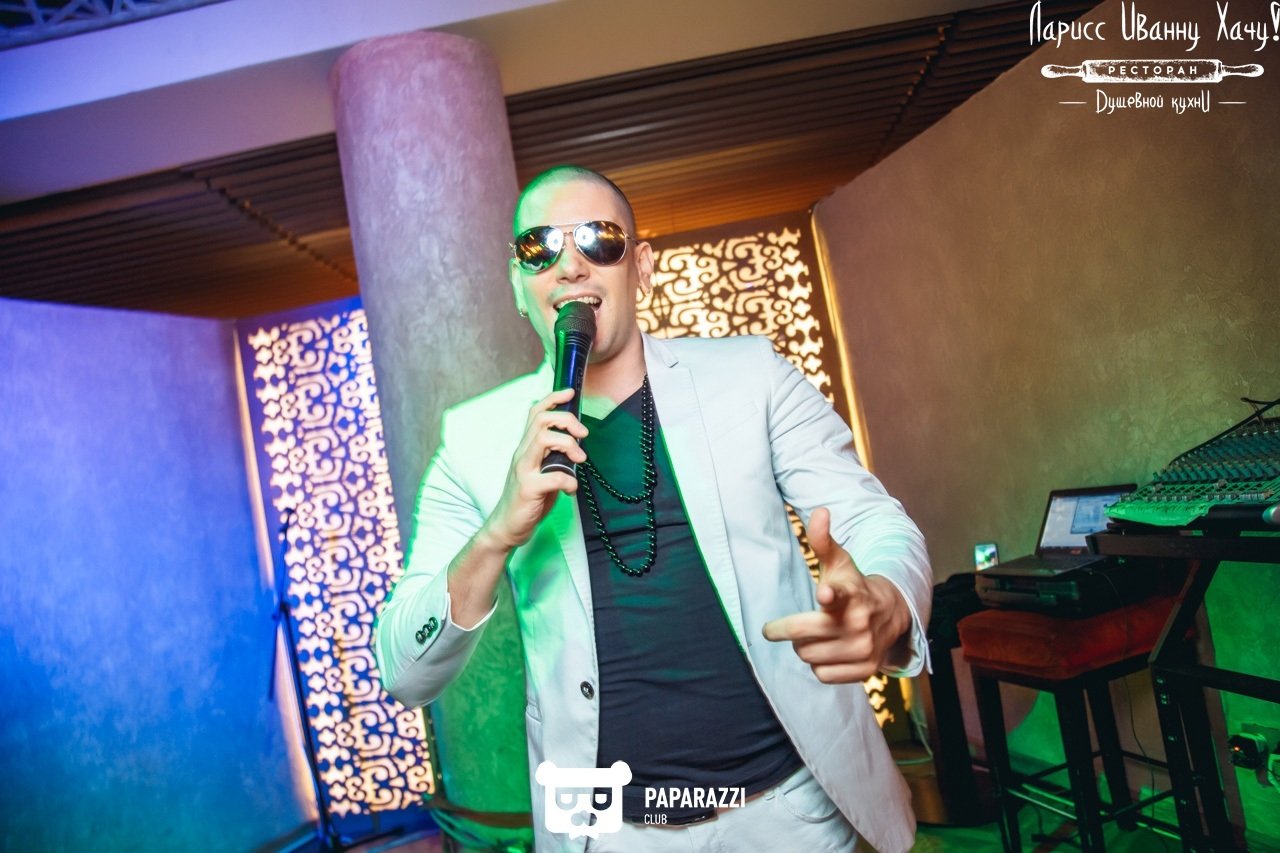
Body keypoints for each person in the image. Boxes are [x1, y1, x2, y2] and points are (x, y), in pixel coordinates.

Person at [375, 165, 933, 853]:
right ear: (519, 284)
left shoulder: (751, 376)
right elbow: (404, 669)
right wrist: (494, 536)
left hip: (789, 813)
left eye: (598, 239)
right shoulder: (474, 440)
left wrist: (886, 601)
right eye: (539, 248)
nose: (570, 265)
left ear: (640, 267)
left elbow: (875, 522)